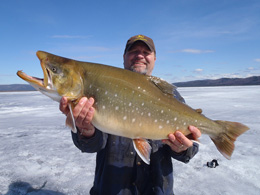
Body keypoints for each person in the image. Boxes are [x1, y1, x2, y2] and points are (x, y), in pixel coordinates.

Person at [60, 35, 201, 195]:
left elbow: (190, 148)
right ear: (124, 57)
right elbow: (92, 145)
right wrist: (86, 131)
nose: (139, 55)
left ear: (154, 58)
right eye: (133, 51)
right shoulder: (103, 85)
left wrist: (182, 149)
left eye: (146, 52)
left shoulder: (171, 95)